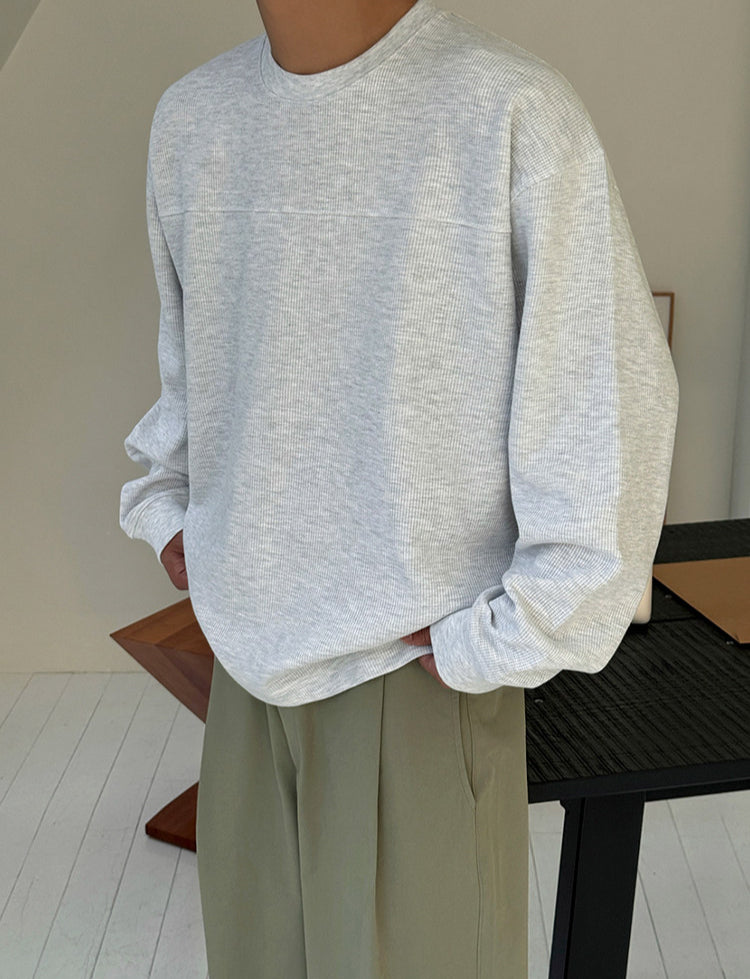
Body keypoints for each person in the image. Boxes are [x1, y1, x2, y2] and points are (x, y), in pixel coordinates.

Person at [119, 0, 679, 975]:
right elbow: (199, 357)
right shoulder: (195, 118)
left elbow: (606, 403)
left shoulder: (508, 110)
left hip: (412, 677)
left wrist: (515, 632)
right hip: (245, 662)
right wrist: (173, 501)